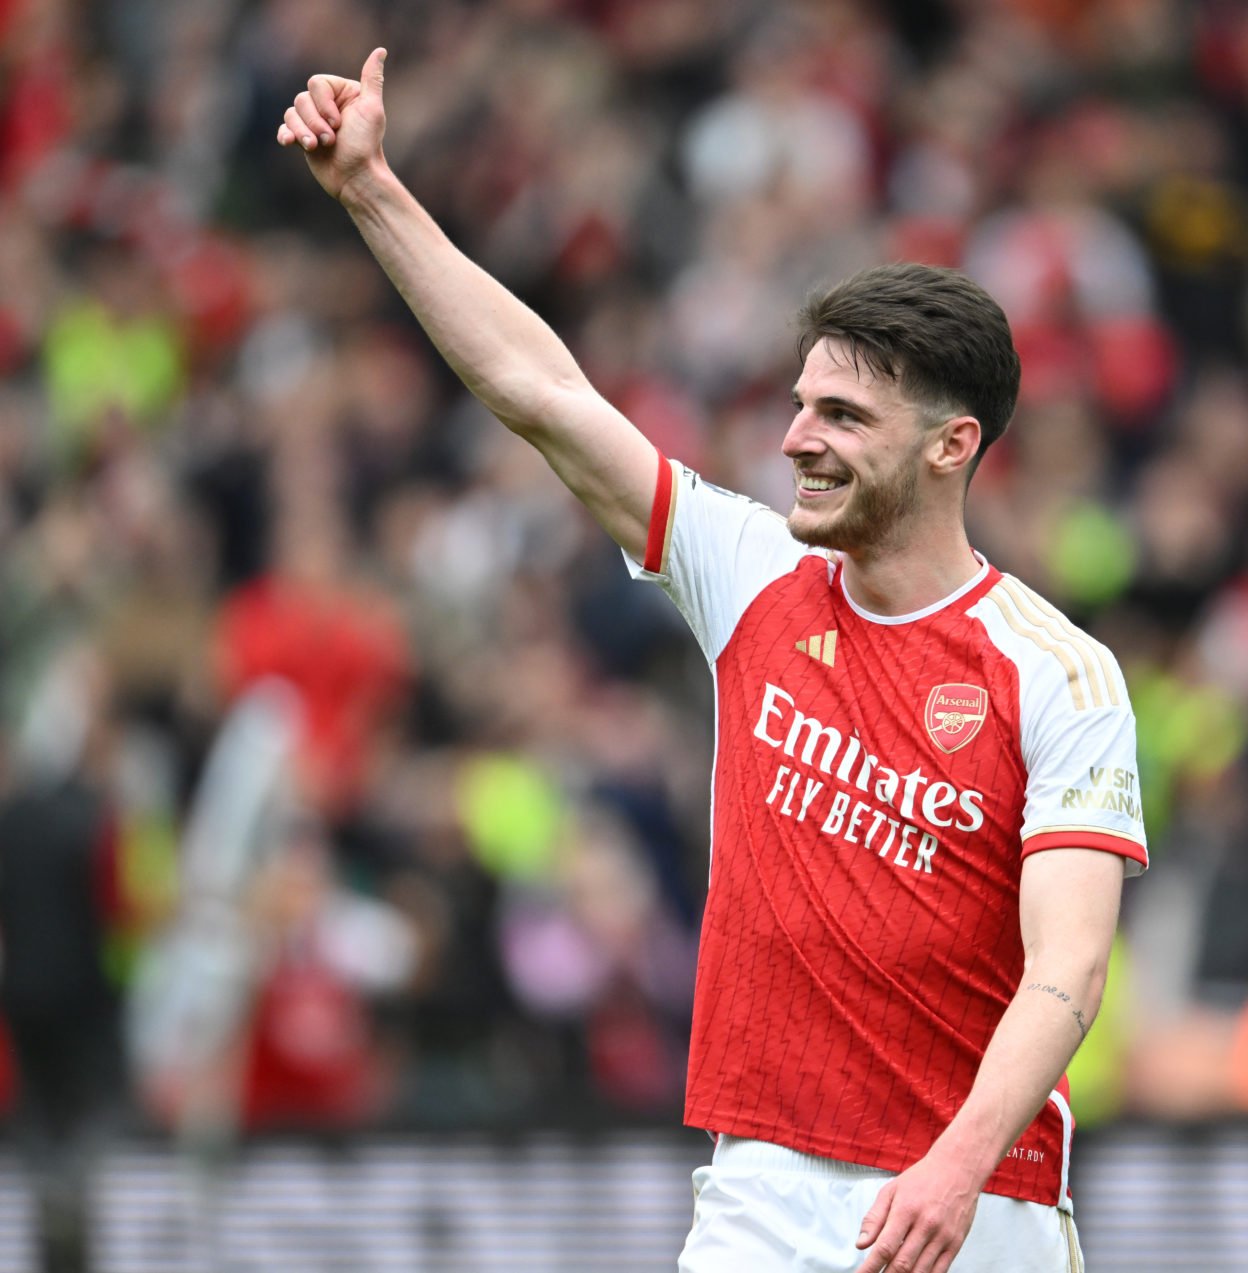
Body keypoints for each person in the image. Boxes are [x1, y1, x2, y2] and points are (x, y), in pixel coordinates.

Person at [278, 49, 1146, 1273]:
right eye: (801, 405)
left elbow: (1071, 964)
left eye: (843, 418)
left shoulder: (1057, 672)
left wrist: (953, 1163)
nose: (797, 439)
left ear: (953, 445)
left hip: (976, 1198)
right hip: (762, 1184)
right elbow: (540, 390)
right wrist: (370, 189)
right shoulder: (751, 579)